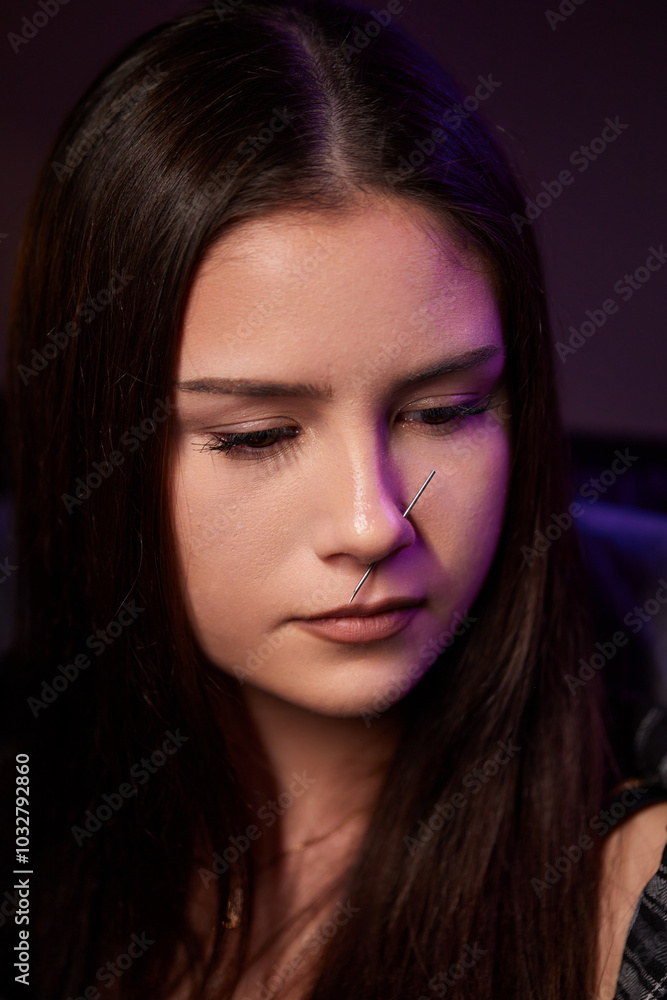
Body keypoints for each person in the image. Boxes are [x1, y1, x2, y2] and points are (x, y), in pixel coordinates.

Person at [2, 2, 667, 998]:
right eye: (257, 435)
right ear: (92, 444)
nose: (372, 522)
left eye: (443, 409)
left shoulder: (630, 900)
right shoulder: (32, 843)